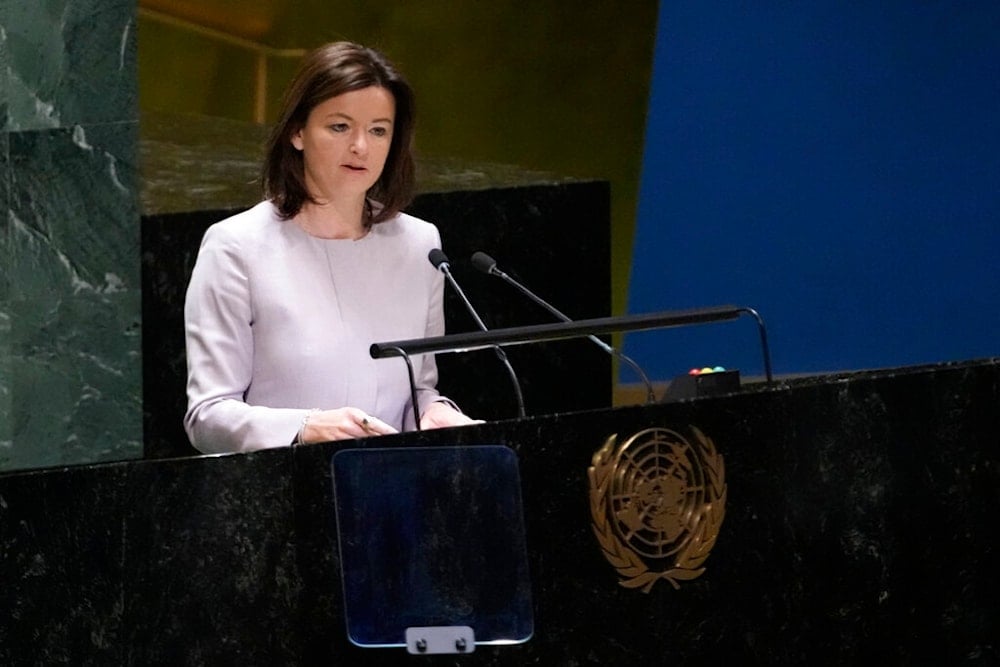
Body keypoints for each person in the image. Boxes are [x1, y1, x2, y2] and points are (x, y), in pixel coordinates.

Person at [183, 41, 479, 454]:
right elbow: (208, 417)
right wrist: (305, 426)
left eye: (378, 130)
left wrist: (435, 412)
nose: (361, 146)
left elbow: (418, 389)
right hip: (285, 492)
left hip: (393, 488)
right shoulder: (237, 247)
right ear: (297, 131)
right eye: (340, 127)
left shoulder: (420, 244)